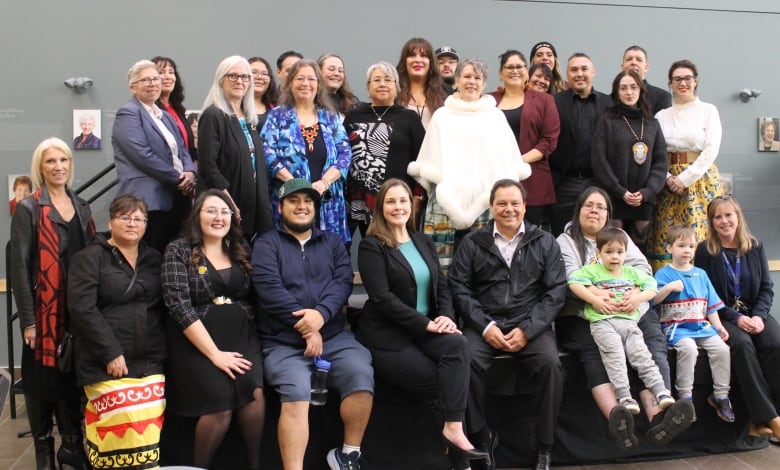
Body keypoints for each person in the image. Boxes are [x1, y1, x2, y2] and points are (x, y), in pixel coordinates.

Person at [357, 179, 487, 470]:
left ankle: (454, 430)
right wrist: (426, 325)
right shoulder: (371, 246)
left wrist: (446, 316)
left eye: (403, 200)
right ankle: (466, 452)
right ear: (380, 207)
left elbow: (442, 286)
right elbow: (382, 299)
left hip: (425, 330)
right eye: (391, 201)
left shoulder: (422, 241)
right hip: (389, 337)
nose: (398, 207)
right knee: (446, 382)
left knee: (458, 345)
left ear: (411, 205)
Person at [556, 187, 694, 449]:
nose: (595, 211)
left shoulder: (619, 237)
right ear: (579, 210)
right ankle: (616, 416)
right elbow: (569, 277)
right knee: (595, 350)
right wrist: (601, 295)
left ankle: (659, 419)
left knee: (651, 343)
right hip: (585, 313)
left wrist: (634, 294)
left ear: (608, 214)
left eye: (601, 207)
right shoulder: (566, 240)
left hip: (630, 309)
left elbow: (642, 269)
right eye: (589, 206)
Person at [252, 179, 374, 470]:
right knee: (296, 394)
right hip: (282, 342)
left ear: (315, 209)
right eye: (294, 201)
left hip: (333, 334)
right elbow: (270, 289)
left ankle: (348, 455)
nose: (302, 206)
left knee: (361, 377)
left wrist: (319, 317)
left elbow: (342, 282)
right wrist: (308, 328)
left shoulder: (332, 242)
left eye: (308, 201)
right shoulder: (266, 244)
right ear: (280, 208)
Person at [449, 179, 565, 470]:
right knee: (466, 363)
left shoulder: (544, 242)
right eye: (501, 203)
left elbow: (556, 292)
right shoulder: (473, 243)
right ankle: (481, 437)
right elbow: (460, 288)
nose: (509, 209)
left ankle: (544, 447)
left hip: (530, 323)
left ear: (525, 206)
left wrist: (529, 329)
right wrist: (485, 326)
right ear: (491, 207)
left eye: (515, 203)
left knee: (551, 365)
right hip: (484, 323)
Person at [161, 189, 266, 469]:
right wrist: (215, 355)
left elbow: (251, 296)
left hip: (243, 334)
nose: (218, 217)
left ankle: (254, 464)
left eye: (224, 211)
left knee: (254, 395)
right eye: (211, 211)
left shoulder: (239, 248)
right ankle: (199, 466)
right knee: (220, 405)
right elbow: (178, 305)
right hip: (197, 343)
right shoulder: (179, 250)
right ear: (197, 215)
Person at [10, 137, 94, 470]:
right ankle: (44, 450)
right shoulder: (29, 208)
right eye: (50, 162)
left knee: (69, 379)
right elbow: (19, 267)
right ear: (40, 168)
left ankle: (71, 446)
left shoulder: (83, 205)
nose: (58, 167)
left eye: (64, 160)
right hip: (43, 314)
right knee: (40, 381)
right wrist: (29, 321)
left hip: (76, 309)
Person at [67, 195, 167, 469]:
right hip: (104, 363)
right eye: (125, 217)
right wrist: (110, 352)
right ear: (110, 220)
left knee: (148, 424)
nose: (132, 223)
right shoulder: (89, 258)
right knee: (123, 417)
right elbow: (82, 309)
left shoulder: (153, 258)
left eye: (138, 219)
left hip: (149, 360)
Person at [408, 58, 531, 271]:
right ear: (456, 81)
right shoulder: (442, 116)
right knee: (440, 262)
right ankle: (444, 304)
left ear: (484, 84)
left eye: (477, 78)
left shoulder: (495, 116)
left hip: (486, 202)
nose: (471, 82)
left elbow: (506, 160)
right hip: (445, 201)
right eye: (466, 76)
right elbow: (429, 159)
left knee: (483, 261)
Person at [694, 195, 780, 440]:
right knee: (742, 346)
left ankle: (773, 414)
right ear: (712, 222)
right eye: (717, 217)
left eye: (728, 215)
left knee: (775, 343)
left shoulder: (755, 246)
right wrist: (735, 316)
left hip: (755, 313)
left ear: (738, 217)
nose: (724, 221)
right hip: (724, 315)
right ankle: (767, 418)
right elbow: (705, 295)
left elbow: (766, 287)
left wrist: (760, 317)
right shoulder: (705, 250)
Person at [568, 228, 674, 417]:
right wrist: (595, 299)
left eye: (619, 252)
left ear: (626, 253)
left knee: (641, 355)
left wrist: (637, 298)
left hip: (629, 322)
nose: (614, 256)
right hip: (603, 322)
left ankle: (660, 391)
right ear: (598, 253)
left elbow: (651, 287)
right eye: (608, 252)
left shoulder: (632, 273)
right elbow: (574, 283)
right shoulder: (591, 271)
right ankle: (624, 396)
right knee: (615, 357)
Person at [262, 59, 352, 245]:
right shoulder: (278, 116)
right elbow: (267, 152)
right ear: (290, 84)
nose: (306, 84)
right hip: (290, 198)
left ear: (318, 85)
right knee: (290, 252)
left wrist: (325, 182)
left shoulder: (330, 116)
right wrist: (295, 184)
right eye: (300, 78)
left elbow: (345, 154)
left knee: (329, 253)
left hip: (327, 200)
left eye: (311, 79)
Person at [112, 59, 197, 254]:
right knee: (151, 254)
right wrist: (178, 178)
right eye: (146, 80)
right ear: (133, 87)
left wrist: (190, 172)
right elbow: (142, 155)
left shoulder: (164, 115)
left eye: (156, 79)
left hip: (177, 197)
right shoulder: (128, 113)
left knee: (177, 253)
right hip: (148, 201)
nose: (153, 83)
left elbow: (182, 149)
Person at [648, 59, 724, 271]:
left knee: (699, 235)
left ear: (695, 81)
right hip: (667, 183)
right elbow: (656, 152)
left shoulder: (708, 110)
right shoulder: (661, 116)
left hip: (699, 181)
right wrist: (667, 178)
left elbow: (711, 149)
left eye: (687, 78)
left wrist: (684, 179)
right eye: (677, 79)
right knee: (668, 236)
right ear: (670, 83)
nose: (683, 83)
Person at [653, 225, 734, 422]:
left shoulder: (701, 274)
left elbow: (711, 307)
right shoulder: (663, 274)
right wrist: (669, 288)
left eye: (691, 246)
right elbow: (653, 300)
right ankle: (685, 399)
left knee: (722, 350)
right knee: (689, 350)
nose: (687, 250)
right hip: (677, 329)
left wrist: (719, 327)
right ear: (670, 248)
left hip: (701, 327)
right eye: (681, 245)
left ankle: (721, 396)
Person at [343, 61, 425, 236]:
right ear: (368, 86)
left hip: (396, 202)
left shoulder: (408, 118)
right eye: (376, 80)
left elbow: (422, 160)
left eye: (388, 80)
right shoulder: (353, 115)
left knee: (394, 250)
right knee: (365, 248)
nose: (382, 84)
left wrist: (417, 197)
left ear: (397, 87)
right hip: (358, 200)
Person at [197, 55, 274, 243]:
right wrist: (228, 203)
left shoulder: (249, 119)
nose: (240, 81)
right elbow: (209, 167)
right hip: (225, 206)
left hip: (253, 206)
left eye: (245, 77)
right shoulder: (213, 115)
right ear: (221, 80)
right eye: (233, 76)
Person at [590, 70, 667, 249]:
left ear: (641, 90)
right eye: (623, 88)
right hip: (615, 195)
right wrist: (620, 191)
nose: (629, 92)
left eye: (633, 87)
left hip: (644, 197)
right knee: (614, 244)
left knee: (641, 244)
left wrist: (647, 191)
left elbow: (661, 162)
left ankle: (638, 277)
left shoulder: (652, 123)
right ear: (617, 92)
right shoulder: (607, 120)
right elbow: (599, 161)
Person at [489, 50, 560, 226]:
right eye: (509, 67)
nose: (515, 71)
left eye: (519, 66)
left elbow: (549, 140)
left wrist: (519, 162)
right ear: (500, 73)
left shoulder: (544, 100)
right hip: (493, 177)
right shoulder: (488, 100)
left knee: (529, 236)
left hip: (533, 178)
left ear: (526, 70)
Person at [548, 53, 611, 236]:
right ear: (567, 74)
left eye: (584, 69)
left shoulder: (609, 104)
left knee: (597, 237)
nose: (579, 74)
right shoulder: (554, 102)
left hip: (598, 182)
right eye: (574, 70)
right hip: (564, 183)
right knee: (562, 236)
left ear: (593, 72)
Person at [153, 55, 199, 162]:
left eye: (171, 72)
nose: (168, 76)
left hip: (188, 172)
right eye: (161, 72)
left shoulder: (178, 109)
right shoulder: (151, 111)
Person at [396, 37, 448, 129]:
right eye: (412, 55)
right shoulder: (395, 92)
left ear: (431, 61)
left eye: (424, 55)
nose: (417, 60)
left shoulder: (446, 93)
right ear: (404, 61)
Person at [620, 46, 672, 115]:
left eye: (639, 60)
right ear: (622, 67)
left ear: (646, 67)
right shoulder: (611, 99)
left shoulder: (662, 97)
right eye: (629, 59)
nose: (633, 62)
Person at [248, 56, 278, 131]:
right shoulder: (234, 109)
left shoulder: (276, 109)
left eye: (264, 74)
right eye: (254, 72)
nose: (259, 77)